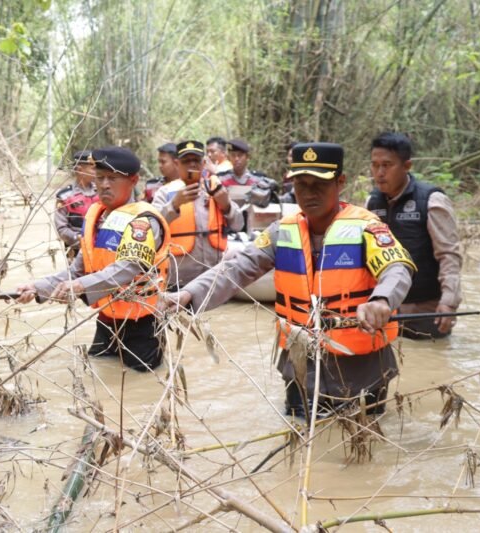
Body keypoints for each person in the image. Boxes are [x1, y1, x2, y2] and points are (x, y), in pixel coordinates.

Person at [166, 143, 415, 418]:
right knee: (297, 429)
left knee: (364, 436)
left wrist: (382, 300)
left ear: (340, 182)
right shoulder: (281, 231)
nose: (309, 193)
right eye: (301, 185)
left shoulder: (367, 228)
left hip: (362, 370)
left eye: (319, 184)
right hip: (299, 369)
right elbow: (237, 268)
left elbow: (397, 267)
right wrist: (188, 293)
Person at [16, 147, 170, 371]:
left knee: (143, 381)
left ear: (133, 181)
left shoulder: (143, 220)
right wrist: (38, 288)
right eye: (100, 177)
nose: (104, 185)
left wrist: (79, 286)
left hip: (143, 325)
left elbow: (128, 268)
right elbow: (78, 269)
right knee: (98, 371)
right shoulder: (97, 217)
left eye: (112, 179)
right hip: (107, 320)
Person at [366, 132, 462, 339]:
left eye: (387, 165)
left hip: (426, 309)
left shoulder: (431, 200)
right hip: (385, 309)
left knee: (431, 355)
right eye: (375, 165)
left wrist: (449, 302)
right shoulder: (371, 203)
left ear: (407, 166)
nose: (379, 172)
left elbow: (449, 255)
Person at [151, 140, 243, 289]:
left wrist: (226, 205)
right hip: (177, 282)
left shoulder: (216, 189)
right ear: (177, 164)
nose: (192, 165)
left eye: (196, 160)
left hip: (214, 280)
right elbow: (152, 231)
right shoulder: (165, 193)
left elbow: (238, 225)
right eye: (186, 161)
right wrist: (174, 205)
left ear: (204, 163)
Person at [54, 150, 98, 256]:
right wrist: (81, 240)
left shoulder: (101, 192)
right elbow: (62, 229)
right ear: (79, 169)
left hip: (101, 249)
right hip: (77, 251)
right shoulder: (65, 196)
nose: (96, 172)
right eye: (93, 168)